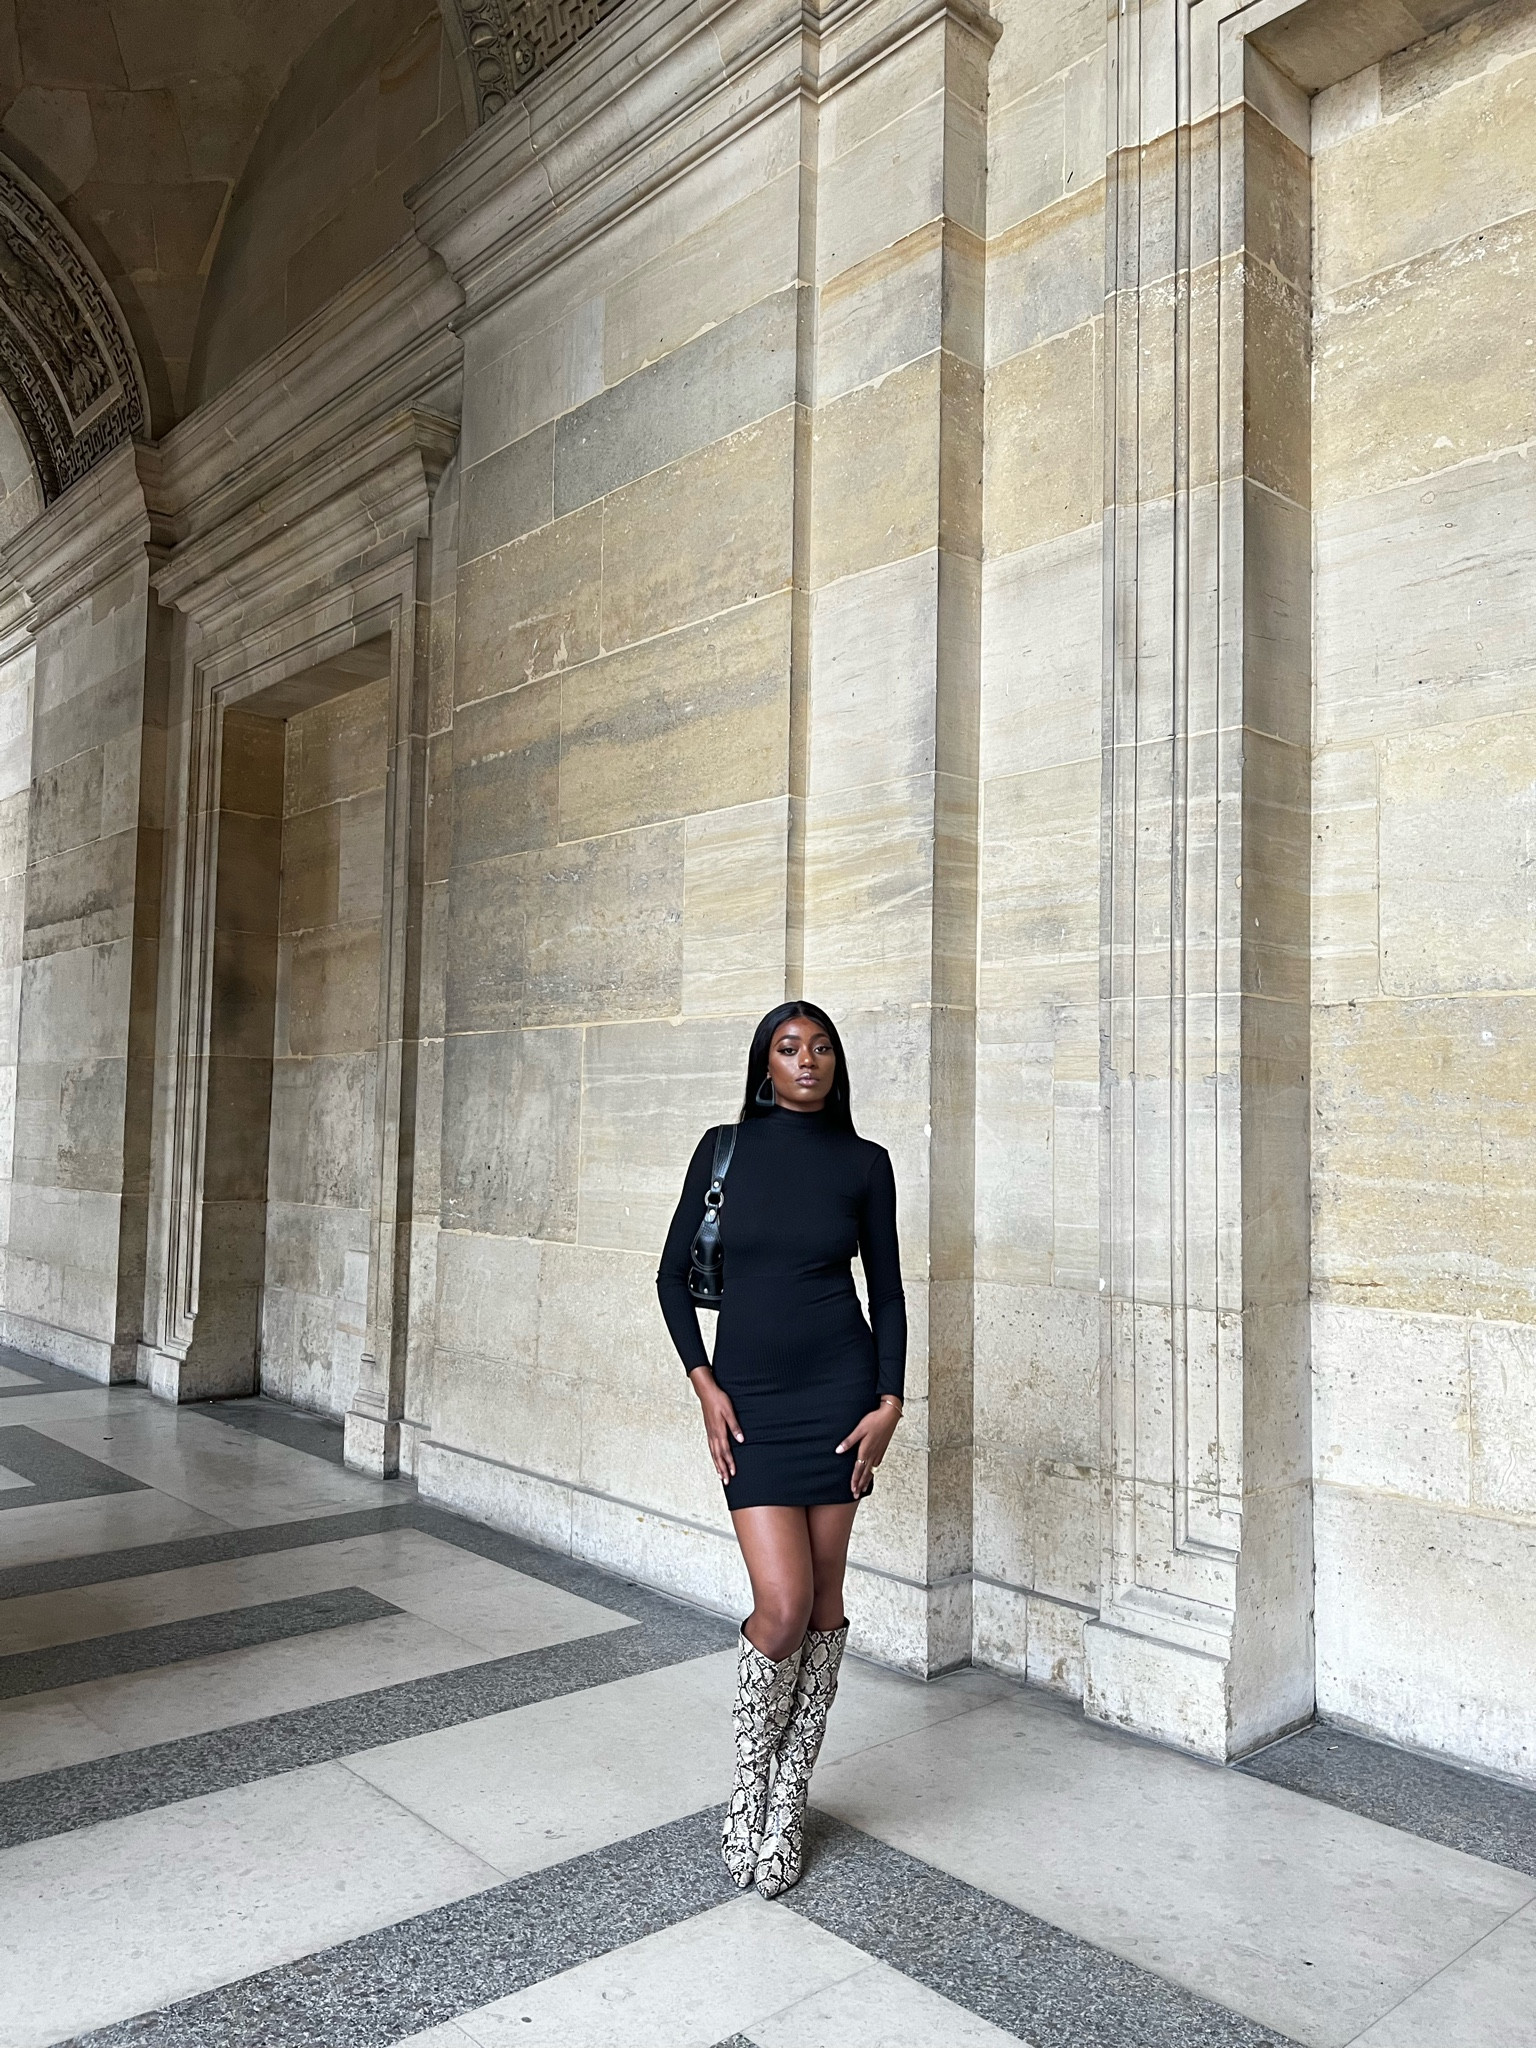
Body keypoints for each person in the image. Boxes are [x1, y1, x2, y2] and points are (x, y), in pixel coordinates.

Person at [656, 1002, 905, 1897]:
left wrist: (890, 1403)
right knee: (785, 1601)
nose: (807, 1060)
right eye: (789, 1049)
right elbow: (669, 1275)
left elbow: (889, 1291)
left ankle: (791, 1793)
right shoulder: (723, 1148)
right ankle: (747, 1787)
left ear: (838, 1063)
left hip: (839, 1398)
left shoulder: (865, 1165)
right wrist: (704, 1384)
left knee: (829, 1600)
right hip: (752, 1404)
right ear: (765, 1065)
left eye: (821, 1047)